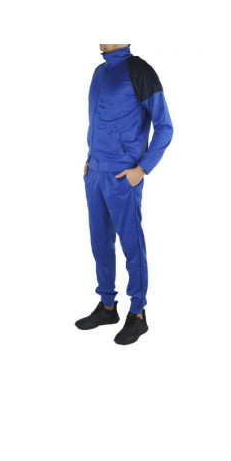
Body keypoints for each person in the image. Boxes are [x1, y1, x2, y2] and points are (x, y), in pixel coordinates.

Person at [75, 44, 174, 345]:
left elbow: (165, 126)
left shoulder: (139, 70)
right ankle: (107, 307)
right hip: (95, 173)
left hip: (123, 176)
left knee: (132, 245)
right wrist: (90, 160)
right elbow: (97, 123)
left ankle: (138, 314)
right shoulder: (99, 72)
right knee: (100, 243)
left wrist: (142, 169)